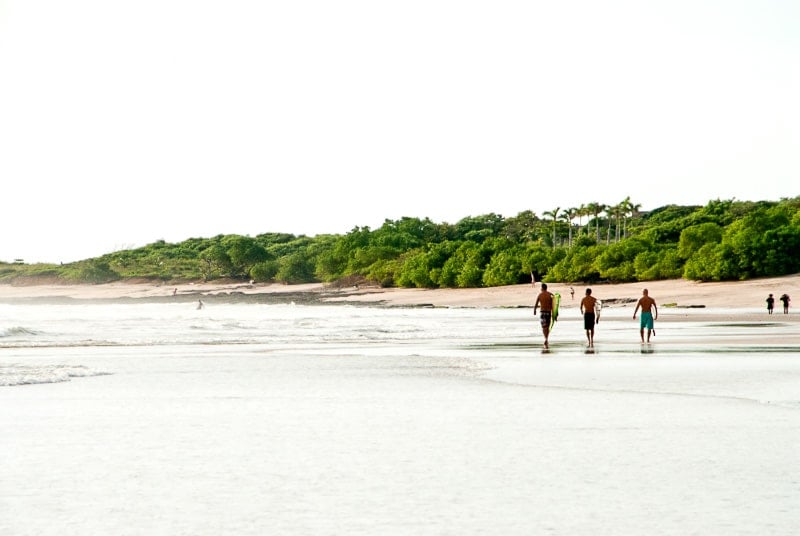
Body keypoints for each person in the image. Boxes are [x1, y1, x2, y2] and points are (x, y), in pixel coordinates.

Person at [533, 283, 555, 349]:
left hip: (542, 313)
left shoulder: (540, 295)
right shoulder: (551, 295)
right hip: (548, 312)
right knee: (547, 327)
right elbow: (554, 305)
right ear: (546, 288)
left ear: (542, 288)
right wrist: (555, 314)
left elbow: (536, 304)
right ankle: (546, 339)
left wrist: (534, 310)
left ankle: (545, 339)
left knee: (543, 327)